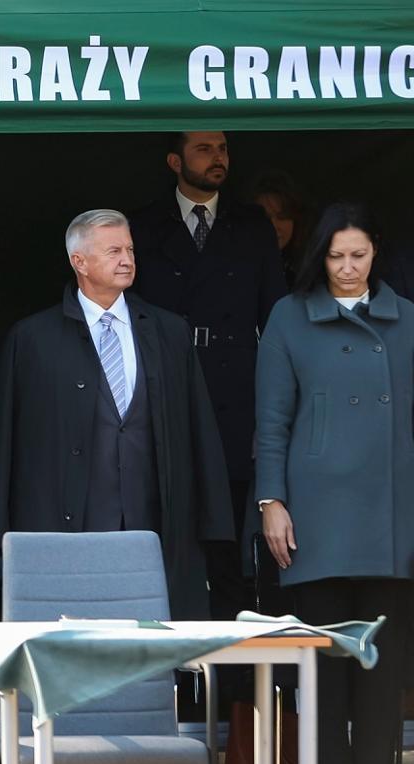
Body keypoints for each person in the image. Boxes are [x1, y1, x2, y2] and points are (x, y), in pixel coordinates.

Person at [0, 209, 237, 764]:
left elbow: (199, 430)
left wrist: (212, 522)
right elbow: (4, 440)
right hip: (65, 532)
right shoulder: (33, 337)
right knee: (72, 661)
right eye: (113, 250)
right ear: (79, 262)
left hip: (148, 531)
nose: (128, 259)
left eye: (129, 248)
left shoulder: (168, 330)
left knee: (137, 663)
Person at [253, 202, 413, 764]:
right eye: (336, 256)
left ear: (377, 253)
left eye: (359, 255)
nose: (347, 268)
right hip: (314, 519)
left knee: (381, 676)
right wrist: (272, 501)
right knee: (322, 678)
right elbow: (271, 422)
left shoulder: (409, 321)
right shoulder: (290, 318)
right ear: (319, 256)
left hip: (392, 517)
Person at [129, 131, 286, 619]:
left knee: (228, 546)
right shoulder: (143, 225)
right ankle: (167, 684)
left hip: (233, 397)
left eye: (221, 149)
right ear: (175, 160)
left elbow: (275, 319)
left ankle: (233, 691)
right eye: (204, 149)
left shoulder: (252, 224)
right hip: (166, 388)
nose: (217, 158)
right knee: (161, 536)